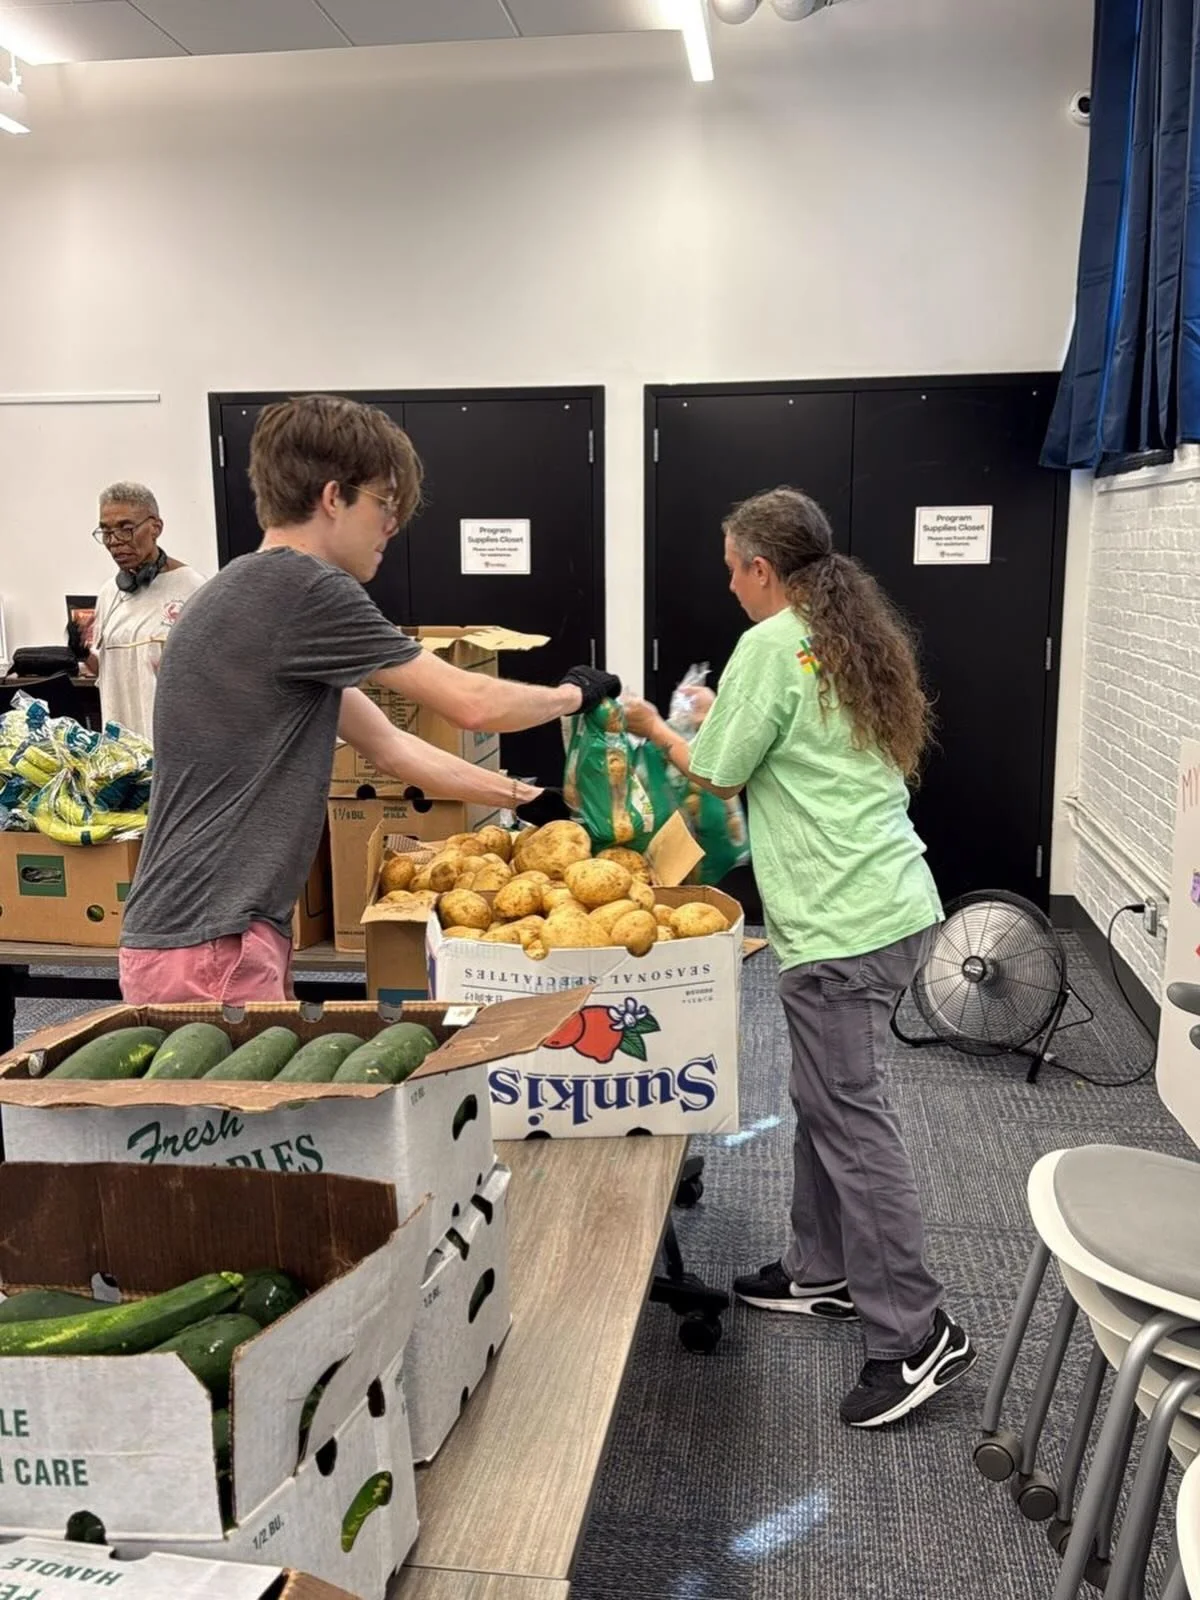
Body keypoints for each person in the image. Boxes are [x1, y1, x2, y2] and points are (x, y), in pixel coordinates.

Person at [623, 486, 974, 1429]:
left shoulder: (771, 643)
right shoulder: (842, 630)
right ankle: (822, 1270)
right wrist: (711, 713)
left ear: (762, 569)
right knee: (825, 1098)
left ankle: (916, 1332)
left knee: (852, 1120)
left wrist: (661, 724)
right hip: (880, 901)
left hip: (843, 924)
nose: (728, 581)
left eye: (732, 565)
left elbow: (716, 770)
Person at [118, 393, 618, 1006]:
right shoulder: (305, 588)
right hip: (213, 942)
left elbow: (391, 746)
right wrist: (575, 694)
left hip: (195, 934)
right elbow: (472, 705)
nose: (393, 526)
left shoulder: (242, 590)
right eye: (385, 504)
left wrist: (522, 797)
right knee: (243, 1104)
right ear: (334, 497)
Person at [77, 483, 206, 742]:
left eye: (126, 529)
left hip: (174, 749)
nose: (114, 542)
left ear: (155, 527)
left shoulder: (193, 589)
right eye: (106, 531)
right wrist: (80, 652)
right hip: (120, 755)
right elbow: (107, 671)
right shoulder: (109, 594)